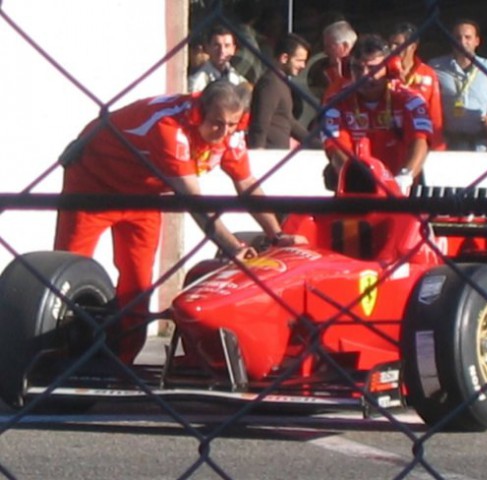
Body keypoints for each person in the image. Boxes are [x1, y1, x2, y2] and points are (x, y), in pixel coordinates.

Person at [54, 81, 306, 364]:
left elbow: (246, 184)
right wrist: (233, 247)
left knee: (138, 282)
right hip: (93, 184)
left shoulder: (230, 132)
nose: (224, 133)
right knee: (68, 264)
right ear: (197, 115)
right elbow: (194, 202)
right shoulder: (168, 127)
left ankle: (122, 361)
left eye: (232, 125)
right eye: (217, 124)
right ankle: (55, 350)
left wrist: (277, 234)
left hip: (145, 197)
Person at [322, 34, 432, 195]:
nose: (365, 75)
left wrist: (404, 177)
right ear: (347, 69)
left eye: (373, 68)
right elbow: (335, 149)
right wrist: (358, 180)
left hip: (403, 189)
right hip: (355, 191)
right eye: (357, 68)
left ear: (390, 68)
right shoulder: (336, 104)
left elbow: (421, 141)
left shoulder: (411, 101)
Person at [429, 19, 487, 151]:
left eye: (468, 37)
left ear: (477, 41)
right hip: (447, 144)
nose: (462, 42)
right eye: (458, 37)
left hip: (480, 145)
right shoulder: (436, 67)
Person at [248, 33, 319, 149]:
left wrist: (318, 144)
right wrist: (257, 152)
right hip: (268, 156)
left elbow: (289, 121)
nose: (303, 66)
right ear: (284, 58)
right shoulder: (270, 83)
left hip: (278, 155)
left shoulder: (280, 82)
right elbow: (260, 122)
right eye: (299, 60)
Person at [388, 22, 445, 150]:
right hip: (390, 141)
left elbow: (435, 114)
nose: (392, 48)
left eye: (397, 44)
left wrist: (436, 146)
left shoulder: (428, 74)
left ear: (412, 46)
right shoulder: (382, 73)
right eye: (390, 44)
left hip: (419, 140)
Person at [188, 25, 249, 93]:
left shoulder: (239, 80)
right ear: (207, 47)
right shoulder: (197, 83)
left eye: (227, 46)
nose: (221, 51)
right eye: (216, 45)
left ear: (233, 49)